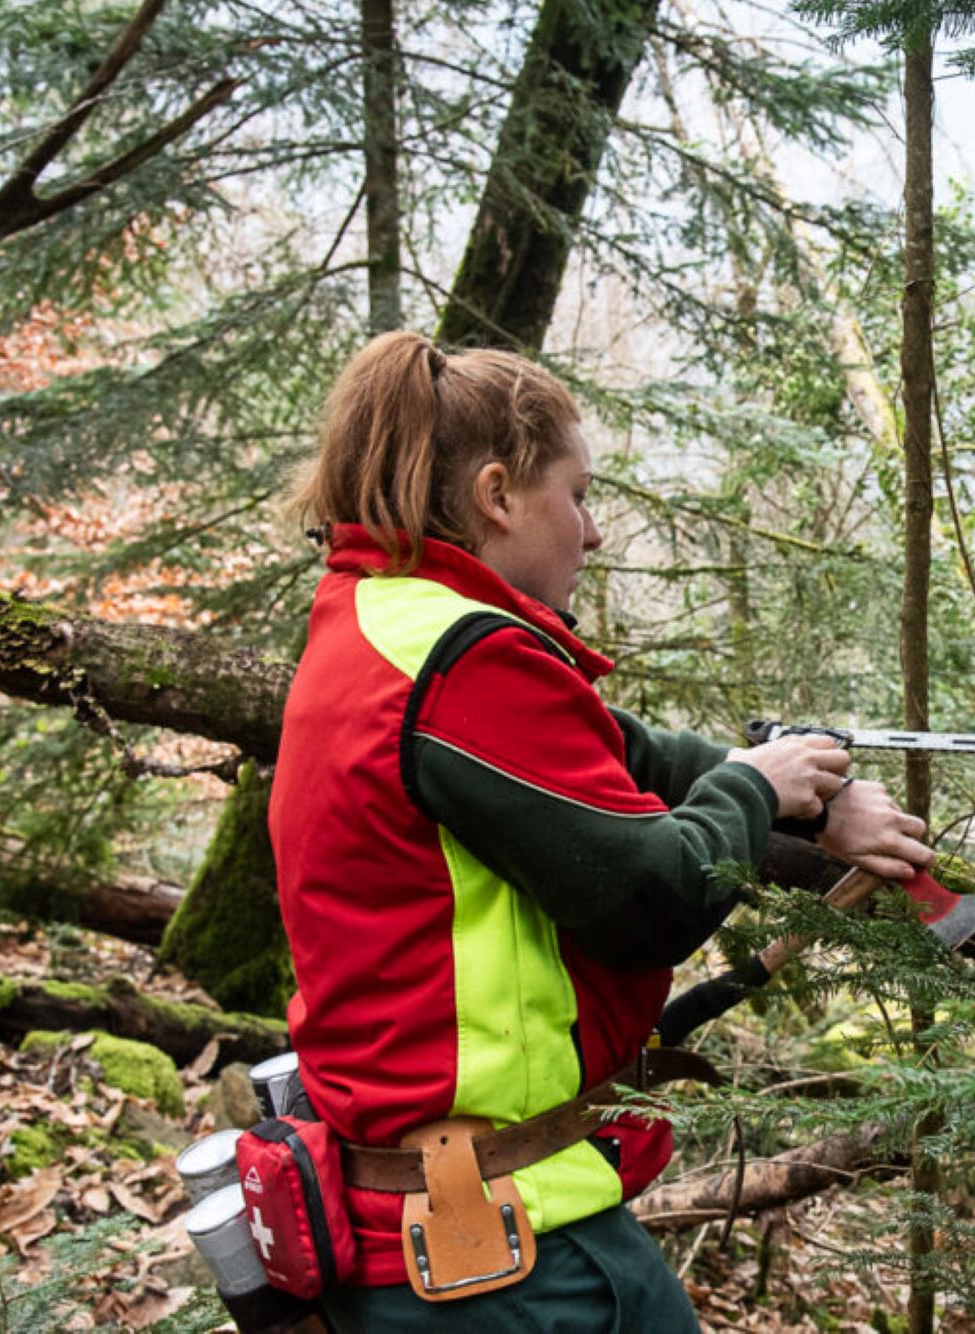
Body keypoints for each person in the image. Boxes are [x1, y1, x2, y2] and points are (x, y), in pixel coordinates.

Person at [268, 331, 933, 1331]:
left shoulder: (382, 617)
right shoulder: (462, 659)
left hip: (441, 1221)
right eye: (577, 495)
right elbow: (648, 897)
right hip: (503, 1250)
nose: (592, 532)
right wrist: (755, 786)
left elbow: (619, 752)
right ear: (498, 495)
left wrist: (816, 798)